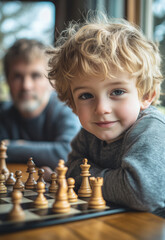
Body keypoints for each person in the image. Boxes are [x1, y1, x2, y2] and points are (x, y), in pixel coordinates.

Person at [47, 14, 165, 213]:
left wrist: (79, 174)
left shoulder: (151, 129)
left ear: (146, 96)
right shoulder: (89, 133)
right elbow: (70, 168)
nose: (101, 108)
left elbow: (142, 194)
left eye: (117, 92)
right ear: (72, 103)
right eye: (86, 95)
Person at [0, 39, 80, 175]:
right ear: (7, 80)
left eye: (35, 76)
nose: (26, 86)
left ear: (53, 81)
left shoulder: (66, 110)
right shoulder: (6, 114)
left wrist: (12, 146)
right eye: (17, 76)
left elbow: (67, 153)